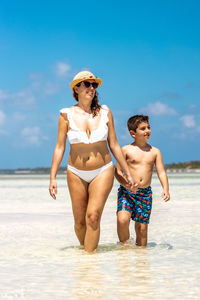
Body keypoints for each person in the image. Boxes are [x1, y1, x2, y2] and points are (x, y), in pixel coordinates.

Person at [49, 71, 136, 253]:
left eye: (93, 85)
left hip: (102, 169)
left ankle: (90, 262)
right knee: (80, 223)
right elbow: (59, 147)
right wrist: (52, 178)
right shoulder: (66, 115)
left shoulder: (105, 112)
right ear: (76, 88)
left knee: (93, 217)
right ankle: (85, 257)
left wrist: (127, 172)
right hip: (76, 172)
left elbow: (114, 144)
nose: (91, 88)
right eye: (87, 84)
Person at [115, 115, 170, 247]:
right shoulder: (125, 150)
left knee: (142, 229)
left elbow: (161, 171)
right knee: (122, 220)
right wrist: (126, 185)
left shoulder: (155, 152)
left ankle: (141, 257)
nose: (147, 130)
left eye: (149, 127)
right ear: (132, 133)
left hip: (144, 194)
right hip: (126, 192)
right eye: (143, 128)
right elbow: (117, 172)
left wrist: (166, 189)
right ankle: (125, 247)